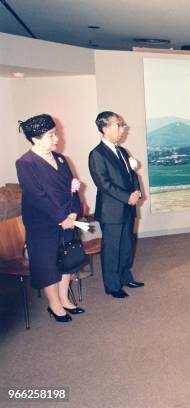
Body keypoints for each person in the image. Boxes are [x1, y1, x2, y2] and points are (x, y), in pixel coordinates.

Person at [15, 114, 84, 323]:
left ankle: (64, 298)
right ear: (35, 139)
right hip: (43, 225)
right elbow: (37, 196)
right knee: (48, 265)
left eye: (56, 134)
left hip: (67, 220)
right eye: (51, 135)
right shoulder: (25, 163)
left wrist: (73, 212)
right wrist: (61, 218)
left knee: (67, 260)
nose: (56, 139)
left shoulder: (61, 159)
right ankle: (54, 305)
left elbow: (73, 187)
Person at [88, 111, 143, 299]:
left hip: (128, 207)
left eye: (122, 125)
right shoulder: (97, 154)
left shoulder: (122, 151)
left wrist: (136, 192)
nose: (122, 128)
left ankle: (125, 276)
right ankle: (112, 285)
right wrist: (127, 197)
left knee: (126, 245)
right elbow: (103, 184)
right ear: (105, 128)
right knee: (112, 248)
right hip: (112, 210)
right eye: (118, 125)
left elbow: (132, 175)